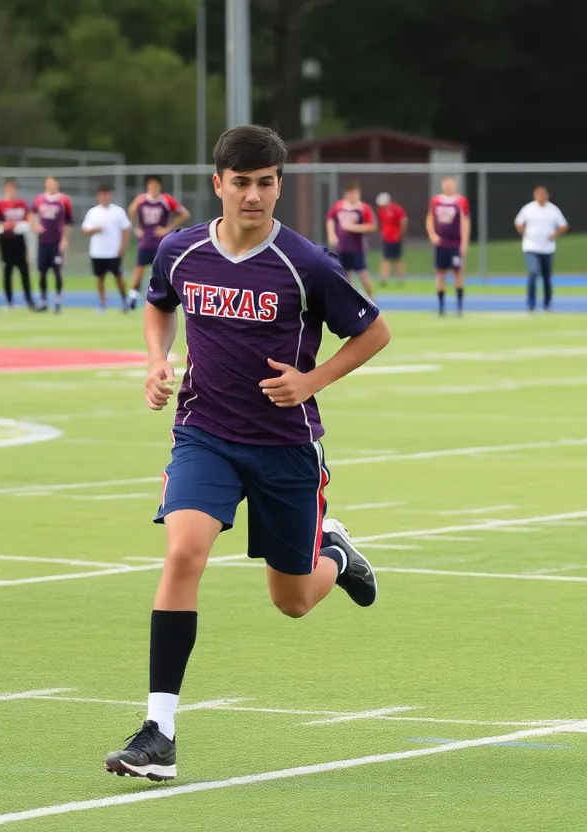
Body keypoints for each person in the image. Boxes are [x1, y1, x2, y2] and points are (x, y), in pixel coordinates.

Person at [104, 124, 391, 782]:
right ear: (219, 185)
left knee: (291, 600)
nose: (254, 196)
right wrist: (156, 360)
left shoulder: (306, 263)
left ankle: (335, 553)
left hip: (286, 448)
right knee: (183, 551)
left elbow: (375, 330)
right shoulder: (180, 251)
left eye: (266, 183)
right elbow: (157, 306)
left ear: (279, 186)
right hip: (204, 435)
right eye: (242, 183)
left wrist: (310, 381)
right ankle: (160, 732)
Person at [128, 175, 190, 310]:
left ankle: (170, 296)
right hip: (145, 241)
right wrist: (137, 228)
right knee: (139, 268)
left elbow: (184, 213)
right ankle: (132, 296)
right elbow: (131, 211)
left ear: (159, 186)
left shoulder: (166, 199)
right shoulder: (141, 199)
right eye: (150, 185)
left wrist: (168, 228)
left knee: (164, 270)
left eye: (155, 185)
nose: (153, 188)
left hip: (161, 243)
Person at [514, 186, 568, 313]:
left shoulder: (553, 210)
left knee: (546, 277)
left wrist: (555, 234)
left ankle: (547, 304)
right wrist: (524, 232)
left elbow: (563, 225)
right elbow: (518, 223)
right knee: (533, 273)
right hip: (531, 246)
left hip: (547, 248)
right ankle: (531, 304)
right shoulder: (528, 209)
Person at [79, 184, 132, 313]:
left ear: (110, 195)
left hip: (113, 252)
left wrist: (123, 246)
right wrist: (94, 230)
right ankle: (102, 304)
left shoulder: (118, 211)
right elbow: (84, 230)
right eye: (101, 195)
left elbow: (125, 228)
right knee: (100, 278)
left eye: (106, 194)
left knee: (118, 277)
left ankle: (125, 302)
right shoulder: (93, 212)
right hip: (98, 252)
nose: (104, 197)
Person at [426, 176, 470, 316]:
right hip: (441, 244)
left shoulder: (460, 201)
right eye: (446, 184)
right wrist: (432, 234)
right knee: (440, 274)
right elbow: (430, 218)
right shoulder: (436, 201)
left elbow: (465, 222)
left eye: (451, 184)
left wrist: (464, 243)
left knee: (458, 273)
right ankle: (441, 307)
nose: (449, 187)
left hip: (455, 243)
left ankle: (459, 307)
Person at [325, 181, 377, 299]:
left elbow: (372, 226)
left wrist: (354, 227)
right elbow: (330, 219)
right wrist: (332, 234)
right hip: (342, 247)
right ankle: (350, 301)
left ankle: (372, 300)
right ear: (346, 194)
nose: (354, 196)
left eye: (356, 193)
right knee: (345, 275)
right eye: (351, 193)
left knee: (362, 273)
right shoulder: (339, 206)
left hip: (357, 247)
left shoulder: (363, 208)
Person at [31, 176, 74, 313]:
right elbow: (31, 215)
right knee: (42, 272)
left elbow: (68, 222)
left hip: (56, 241)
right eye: (48, 184)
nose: (51, 186)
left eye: (53, 184)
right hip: (43, 241)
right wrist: (35, 226)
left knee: (57, 271)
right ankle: (43, 301)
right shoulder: (39, 199)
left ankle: (57, 301)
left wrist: (65, 239)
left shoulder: (63, 200)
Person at [0, 180, 39, 311]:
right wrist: (6, 226)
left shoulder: (21, 204)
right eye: (9, 189)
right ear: (6, 190)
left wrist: (33, 226)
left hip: (19, 241)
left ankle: (29, 300)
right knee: (7, 271)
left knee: (24, 271)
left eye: (13, 189)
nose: (11, 192)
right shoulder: (0, 205)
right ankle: (9, 302)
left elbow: (29, 218)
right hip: (6, 241)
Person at [375, 192, 407, 286]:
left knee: (397, 259)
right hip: (386, 238)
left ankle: (400, 279)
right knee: (385, 259)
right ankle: (384, 279)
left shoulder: (397, 209)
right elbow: (383, 223)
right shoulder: (382, 211)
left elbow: (403, 221)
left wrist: (400, 234)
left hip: (396, 239)